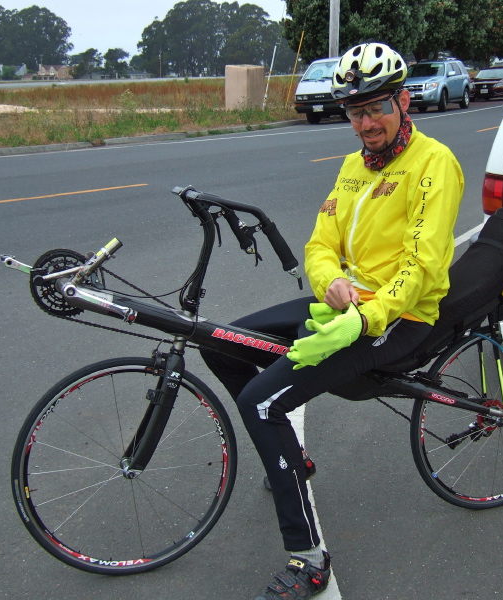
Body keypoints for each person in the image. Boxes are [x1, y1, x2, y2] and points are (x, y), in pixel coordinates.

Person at [201, 41, 464, 600]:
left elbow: (423, 265)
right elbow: (321, 243)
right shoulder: (350, 168)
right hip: (342, 304)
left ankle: (309, 559)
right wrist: (332, 284)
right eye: (355, 111)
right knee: (223, 344)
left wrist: (366, 317)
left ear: (403, 101)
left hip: (399, 317)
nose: (366, 122)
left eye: (376, 108)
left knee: (261, 401)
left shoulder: (433, 164)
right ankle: (290, 460)